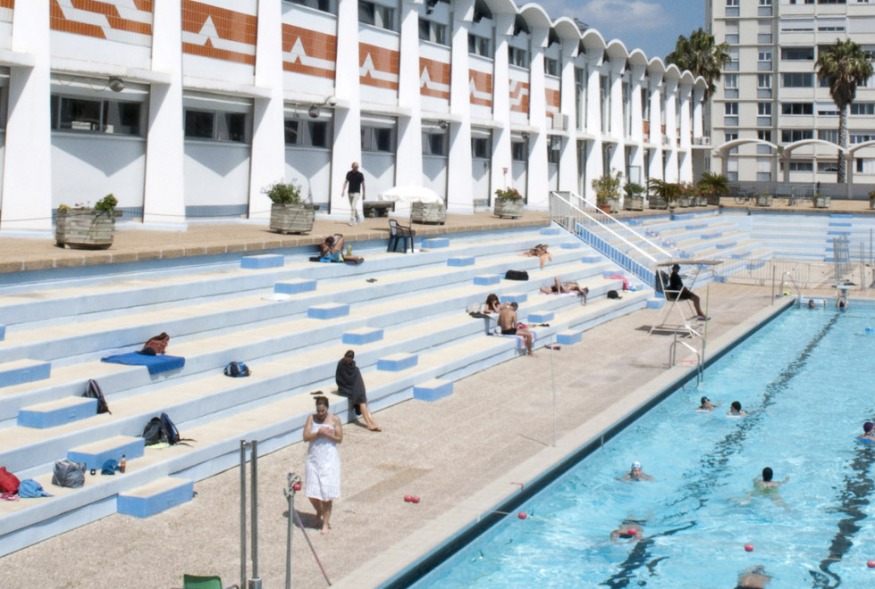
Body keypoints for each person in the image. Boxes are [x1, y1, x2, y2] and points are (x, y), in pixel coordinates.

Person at [303, 396, 343, 534]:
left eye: (323, 411)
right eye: (318, 411)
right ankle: (319, 511)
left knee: (326, 493)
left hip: (329, 459)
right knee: (311, 492)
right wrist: (318, 432)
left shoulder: (335, 420)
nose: (320, 414)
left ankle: (325, 523)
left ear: (327, 408)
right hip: (313, 458)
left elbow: (339, 439)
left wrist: (328, 435)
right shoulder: (311, 418)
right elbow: (306, 437)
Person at [335, 350, 381, 432]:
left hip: (354, 387)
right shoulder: (341, 364)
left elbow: (357, 380)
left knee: (363, 401)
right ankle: (369, 424)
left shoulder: (354, 368)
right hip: (345, 388)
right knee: (362, 401)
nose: (348, 359)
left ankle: (372, 422)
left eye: (350, 358)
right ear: (345, 356)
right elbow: (339, 379)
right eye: (347, 357)